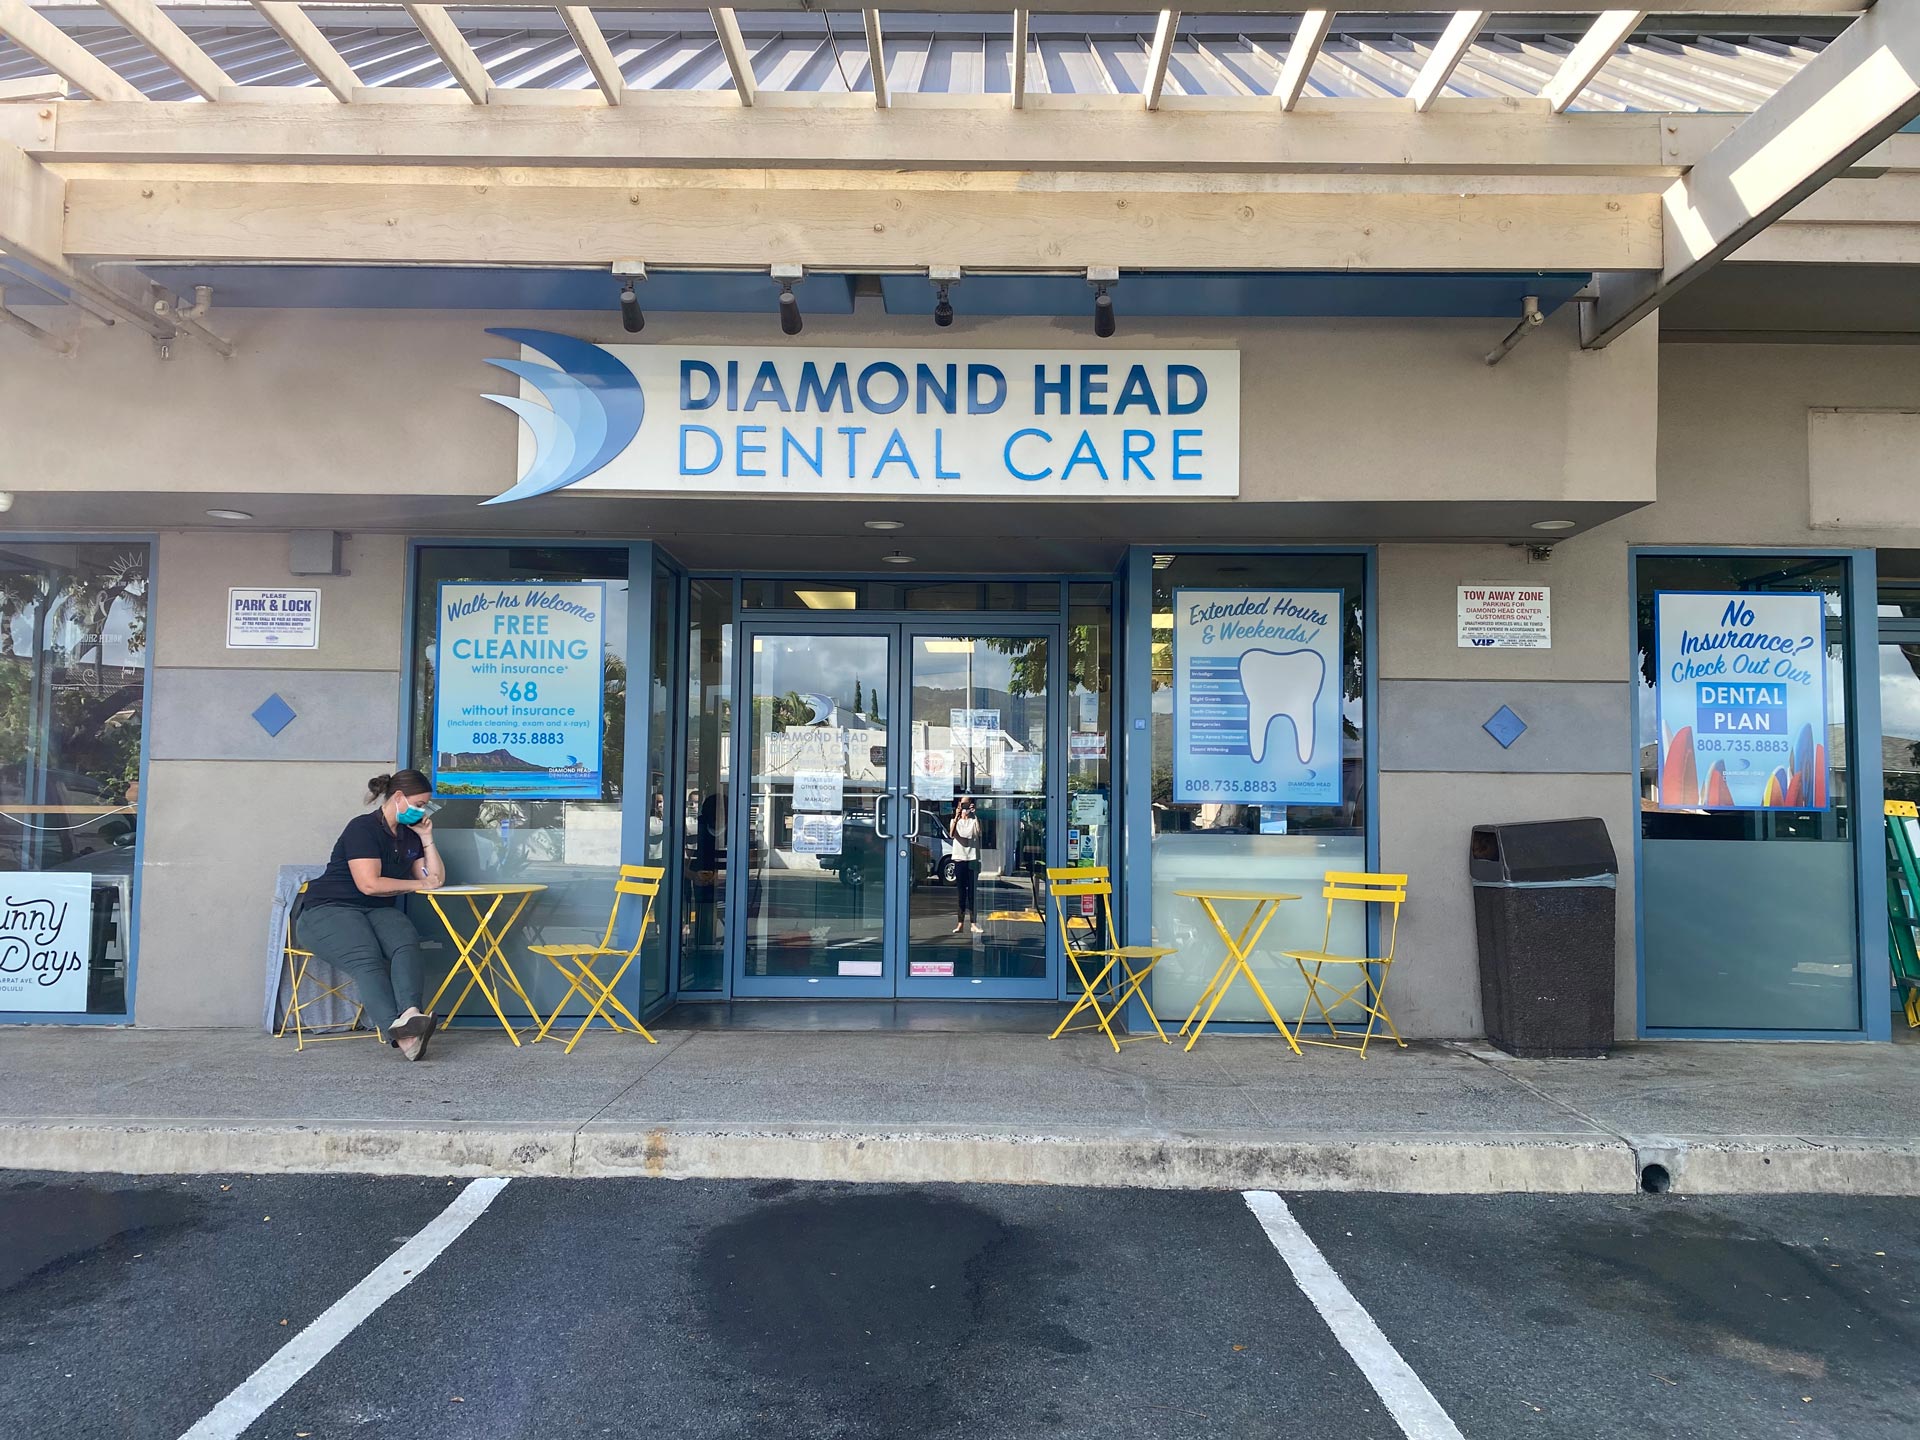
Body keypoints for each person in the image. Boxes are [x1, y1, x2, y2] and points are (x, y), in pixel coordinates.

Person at [300, 771, 447, 1061]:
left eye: (427, 806)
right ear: (398, 798)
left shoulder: (409, 835)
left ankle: (410, 1013)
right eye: (419, 804)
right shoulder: (362, 828)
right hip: (328, 909)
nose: (423, 811)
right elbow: (369, 884)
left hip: (376, 909)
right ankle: (404, 1037)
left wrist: (427, 838)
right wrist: (420, 884)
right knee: (366, 959)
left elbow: (436, 879)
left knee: (405, 942)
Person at [948, 796, 982, 936]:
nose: (965, 807)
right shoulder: (955, 821)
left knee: (972, 893)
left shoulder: (974, 820)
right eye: (963, 804)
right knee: (961, 893)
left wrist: (975, 815)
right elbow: (951, 834)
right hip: (959, 859)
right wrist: (956, 816)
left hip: (973, 858)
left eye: (968, 804)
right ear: (959, 805)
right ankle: (960, 923)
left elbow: (978, 833)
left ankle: (973, 923)